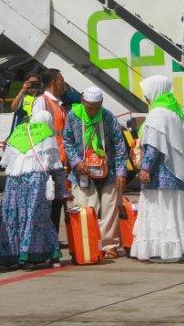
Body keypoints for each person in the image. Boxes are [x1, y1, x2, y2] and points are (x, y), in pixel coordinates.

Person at [131, 76, 184, 262]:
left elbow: (154, 145)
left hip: (160, 174)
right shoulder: (175, 110)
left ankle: (164, 250)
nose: (146, 98)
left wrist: (145, 168)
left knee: (160, 212)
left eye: (147, 93)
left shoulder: (158, 113)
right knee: (175, 212)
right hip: (176, 173)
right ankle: (180, 248)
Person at [63, 86, 128, 259]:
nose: (92, 111)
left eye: (96, 107)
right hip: (82, 172)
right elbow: (67, 141)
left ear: (101, 104)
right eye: (89, 107)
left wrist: (121, 172)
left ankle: (109, 245)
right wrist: (76, 162)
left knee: (109, 208)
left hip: (109, 170)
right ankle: (89, 243)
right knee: (86, 208)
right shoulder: (74, 116)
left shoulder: (108, 117)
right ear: (83, 102)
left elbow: (120, 146)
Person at [0, 110, 63, 268]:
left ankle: (11, 254)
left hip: (13, 181)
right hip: (35, 182)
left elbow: (7, 161)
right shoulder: (47, 135)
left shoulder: (18, 132)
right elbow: (55, 166)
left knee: (13, 216)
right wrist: (61, 191)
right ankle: (31, 255)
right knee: (36, 218)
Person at [31, 68, 70, 231]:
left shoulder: (59, 104)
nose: (63, 83)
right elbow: (37, 132)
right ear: (54, 82)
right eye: (61, 80)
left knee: (58, 203)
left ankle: (53, 240)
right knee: (49, 203)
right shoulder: (42, 101)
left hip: (60, 161)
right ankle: (49, 241)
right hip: (49, 162)